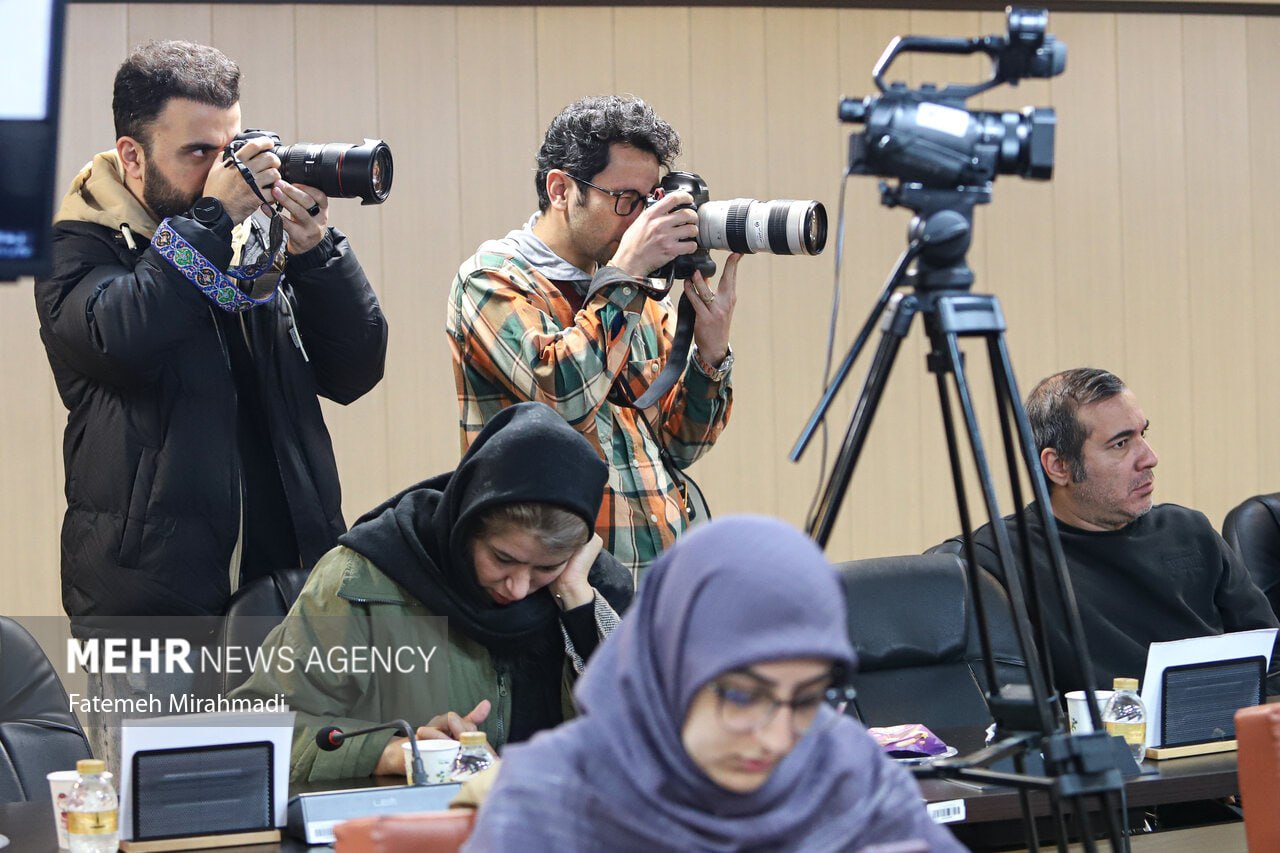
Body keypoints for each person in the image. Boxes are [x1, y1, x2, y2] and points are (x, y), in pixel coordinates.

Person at [32, 40, 387, 769]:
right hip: (153, 611)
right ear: (133, 157)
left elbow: (355, 369)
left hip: (288, 595)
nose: (227, 172)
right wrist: (210, 219)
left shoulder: (253, 243)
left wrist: (317, 251)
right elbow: (122, 336)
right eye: (199, 152)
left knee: (304, 798)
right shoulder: (80, 247)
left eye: (234, 148)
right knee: (168, 818)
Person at [465, 516, 965, 852]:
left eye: (808, 699)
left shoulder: (846, 777)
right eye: (745, 696)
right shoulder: (548, 804)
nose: (775, 738)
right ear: (671, 670)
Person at [231, 402, 633, 782]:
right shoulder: (361, 580)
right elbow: (256, 728)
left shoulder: (593, 596)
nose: (518, 587)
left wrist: (578, 605)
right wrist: (397, 752)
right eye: (502, 558)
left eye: (546, 566)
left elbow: (649, 745)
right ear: (465, 526)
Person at [447, 95, 741, 582]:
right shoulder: (492, 280)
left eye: (649, 202)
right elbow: (564, 399)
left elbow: (682, 445)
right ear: (561, 189)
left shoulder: (635, 293)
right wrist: (627, 274)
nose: (640, 220)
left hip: (660, 580)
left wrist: (710, 352)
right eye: (625, 199)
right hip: (550, 585)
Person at [934, 367, 1280, 695]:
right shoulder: (996, 559)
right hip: (1102, 751)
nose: (1149, 458)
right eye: (1120, 444)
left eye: (1142, 434)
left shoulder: (1189, 531)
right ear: (1059, 466)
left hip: (1217, 741)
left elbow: (1273, 661)